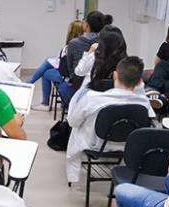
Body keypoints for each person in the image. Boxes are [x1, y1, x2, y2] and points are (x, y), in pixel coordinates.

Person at [66, 57, 154, 186]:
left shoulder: (92, 99)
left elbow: (72, 122)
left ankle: (73, 176)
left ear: (115, 75)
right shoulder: (144, 102)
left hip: (95, 145)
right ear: (140, 81)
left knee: (76, 127)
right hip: (127, 146)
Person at [26, 20, 83, 111]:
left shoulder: (70, 46)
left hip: (69, 77)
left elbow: (65, 64)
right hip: (77, 76)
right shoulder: (86, 45)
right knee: (48, 65)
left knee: (46, 71)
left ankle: (43, 101)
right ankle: (29, 82)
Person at [60, 11, 106, 104]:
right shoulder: (106, 42)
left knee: (63, 87)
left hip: (78, 85)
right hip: (101, 87)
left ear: (86, 25)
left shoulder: (74, 43)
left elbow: (70, 69)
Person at [73, 25, 128, 91]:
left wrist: (89, 52)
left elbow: (79, 71)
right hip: (117, 98)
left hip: (93, 96)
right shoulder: (126, 61)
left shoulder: (94, 56)